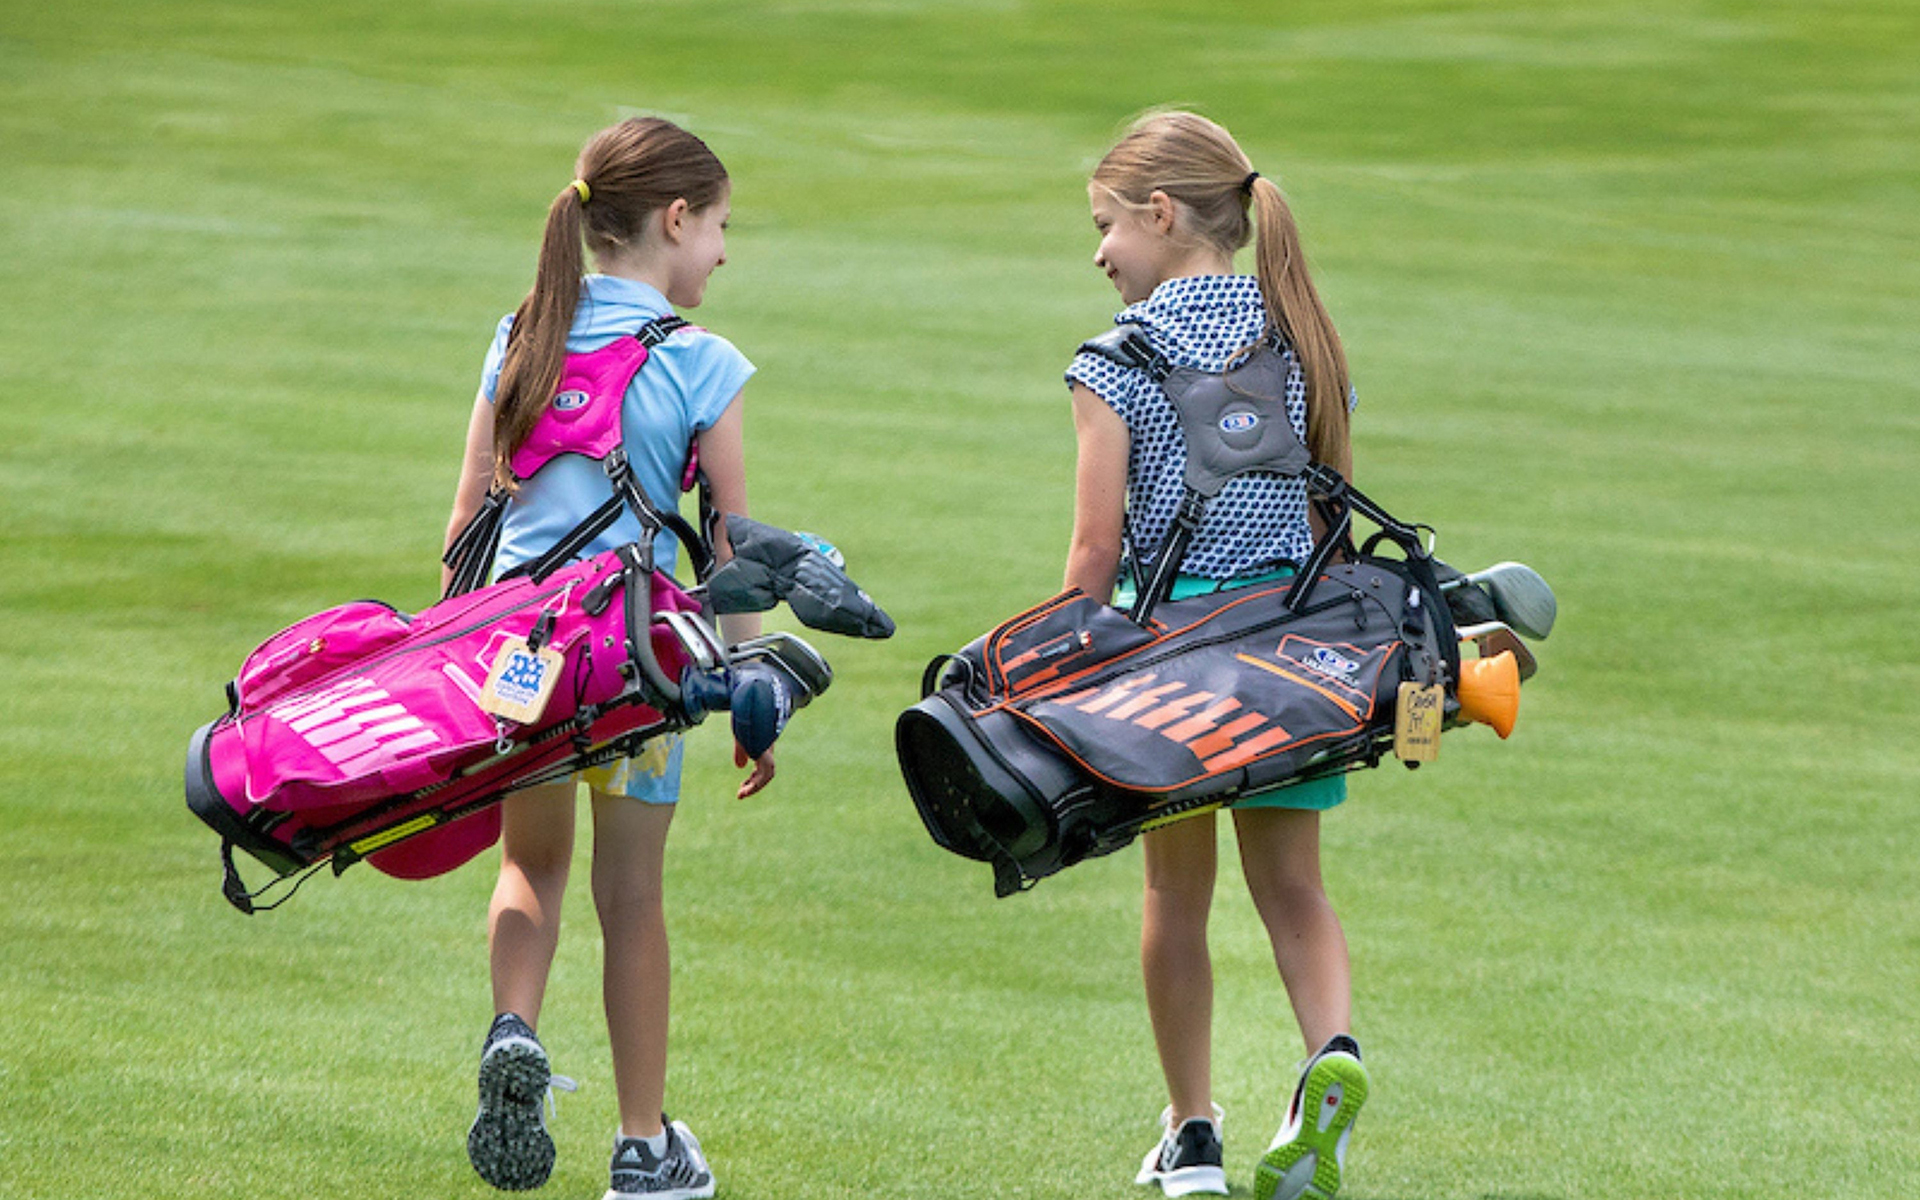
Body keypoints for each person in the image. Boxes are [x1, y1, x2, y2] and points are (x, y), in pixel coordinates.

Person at [441, 116, 771, 1200]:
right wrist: (752, 688)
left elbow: (467, 527)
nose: (721, 252)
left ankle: (513, 1028)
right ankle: (640, 1145)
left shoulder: (522, 332)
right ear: (675, 220)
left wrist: (450, 661)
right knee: (632, 897)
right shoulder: (702, 361)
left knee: (528, 868)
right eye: (719, 227)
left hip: (517, 663)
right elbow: (732, 552)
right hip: (634, 670)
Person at [1061, 111, 1370, 1200]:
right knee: (1295, 889)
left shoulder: (1114, 359)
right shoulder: (1304, 336)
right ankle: (1331, 1055)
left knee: (1174, 897)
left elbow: (1096, 549)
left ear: (1160, 215)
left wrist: (1058, 665)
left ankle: (1192, 1135)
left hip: (1167, 660)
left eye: (1105, 226)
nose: (1100, 254)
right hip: (1295, 650)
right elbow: (1328, 508)